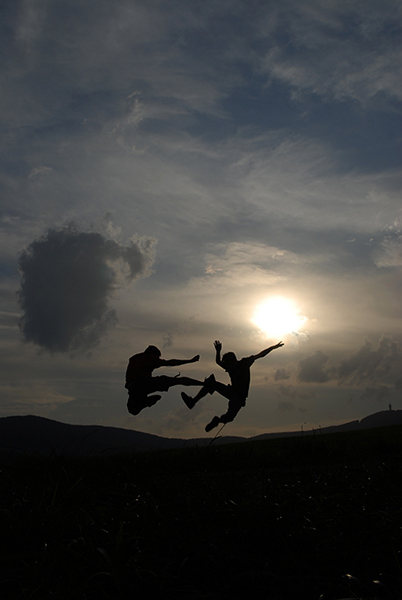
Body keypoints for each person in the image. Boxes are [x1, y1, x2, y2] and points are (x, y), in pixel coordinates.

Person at [181, 340, 284, 432]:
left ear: (233, 361)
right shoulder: (230, 367)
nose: (227, 368)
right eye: (226, 365)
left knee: (229, 418)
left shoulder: (244, 363)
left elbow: (260, 355)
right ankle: (193, 401)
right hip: (231, 392)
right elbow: (218, 362)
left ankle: (217, 421)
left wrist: (273, 347)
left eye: (228, 364)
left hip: (239, 398)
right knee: (211, 382)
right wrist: (218, 351)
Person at [125, 345, 204, 416]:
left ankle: (143, 402)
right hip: (144, 383)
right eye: (157, 357)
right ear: (153, 354)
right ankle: (203, 383)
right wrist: (189, 361)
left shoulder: (135, 358)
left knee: (132, 410)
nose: (158, 359)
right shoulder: (149, 358)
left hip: (133, 389)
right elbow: (170, 363)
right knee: (177, 381)